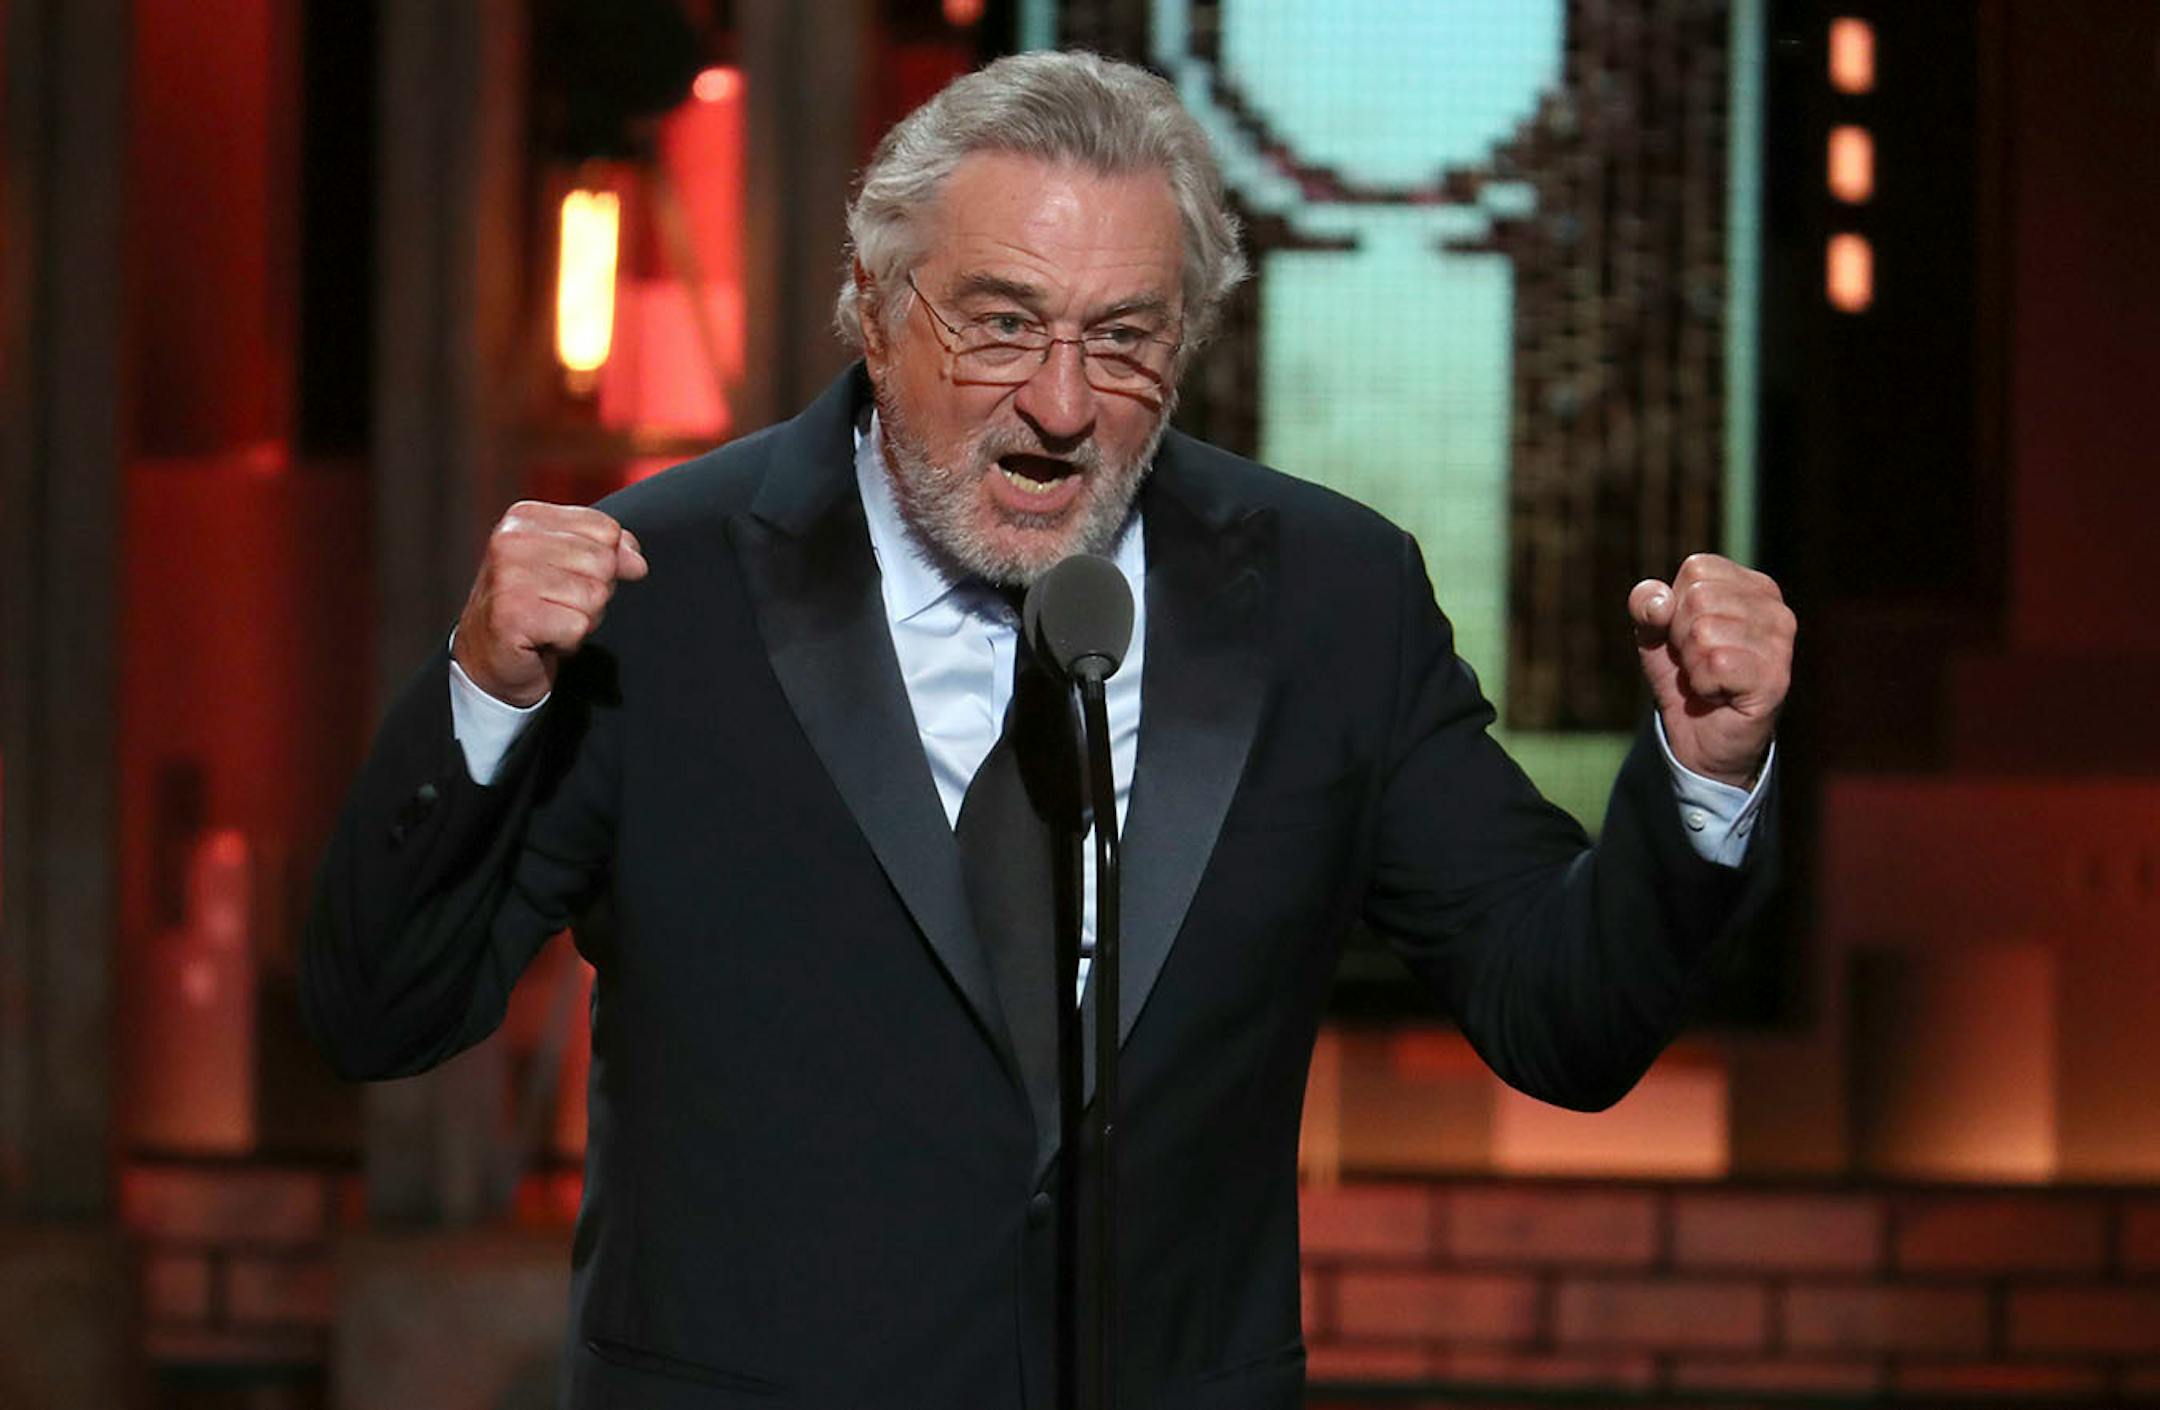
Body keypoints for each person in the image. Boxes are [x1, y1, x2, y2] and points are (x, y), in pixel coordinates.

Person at [304, 50, 1792, 1410]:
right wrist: (486, 688)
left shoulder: (1333, 600)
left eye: (1124, 338)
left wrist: (1703, 778)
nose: (1062, 404)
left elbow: (1565, 1015)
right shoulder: (664, 587)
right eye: (1003, 325)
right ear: (876, 315)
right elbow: (385, 1009)